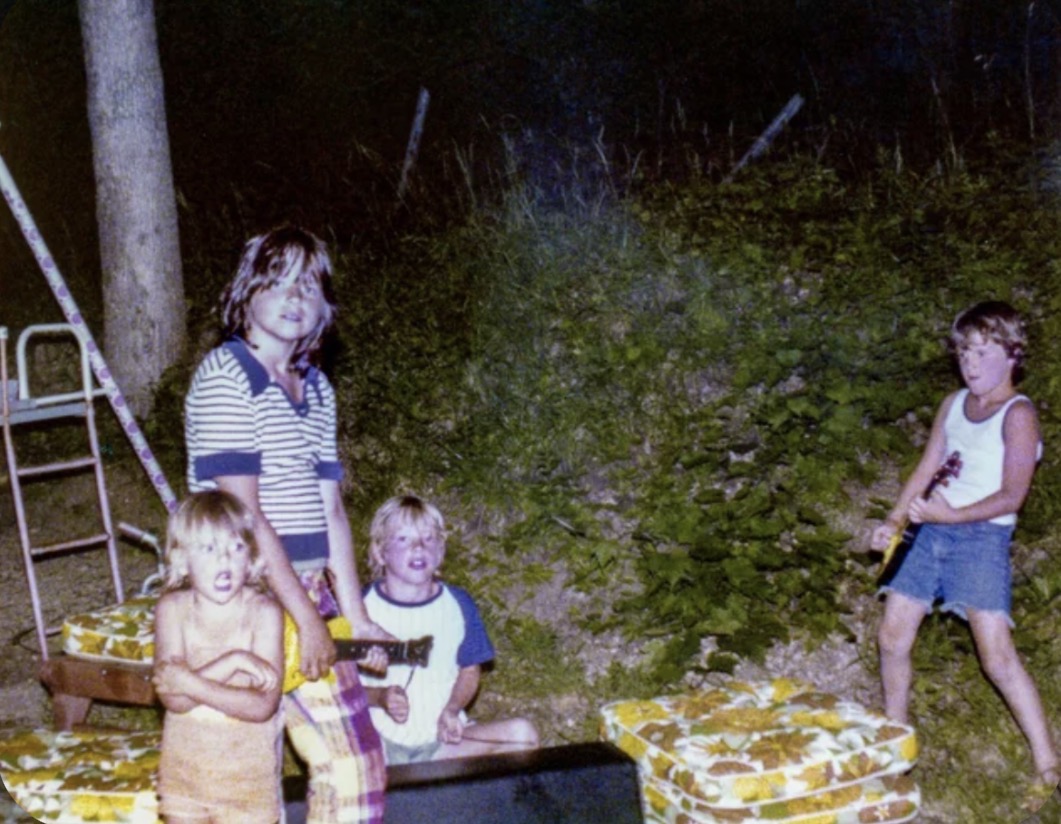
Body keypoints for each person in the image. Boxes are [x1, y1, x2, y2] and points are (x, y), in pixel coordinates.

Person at [184, 226, 388, 823]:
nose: (296, 297)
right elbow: (244, 516)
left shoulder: (317, 389)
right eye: (280, 282)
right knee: (242, 784)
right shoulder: (226, 378)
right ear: (246, 293)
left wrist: (356, 617)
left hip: (309, 591)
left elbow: (331, 510)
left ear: (325, 307)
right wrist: (306, 618)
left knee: (355, 765)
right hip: (239, 597)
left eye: (310, 286)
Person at [871, 300, 1058, 792]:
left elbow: (1012, 495)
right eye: (963, 353)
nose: (970, 365)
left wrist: (951, 515)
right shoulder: (953, 404)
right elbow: (928, 466)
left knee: (996, 657)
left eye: (982, 353)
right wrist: (894, 520)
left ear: (1013, 354)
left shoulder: (1018, 415)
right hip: (929, 530)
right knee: (892, 637)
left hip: (981, 539)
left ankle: (1048, 761)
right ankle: (895, 742)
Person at [361, 494, 539, 765]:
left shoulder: (457, 604)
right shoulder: (360, 606)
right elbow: (337, 686)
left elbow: (470, 670)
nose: (418, 547)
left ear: (441, 551)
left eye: (428, 539)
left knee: (522, 736)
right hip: (378, 745)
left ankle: (457, 786)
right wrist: (380, 697)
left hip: (443, 745)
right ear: (379, 552)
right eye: (403, 539)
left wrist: (452, 709)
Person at [153, 490, 285, 823]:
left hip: (248, 787)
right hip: (184, 783)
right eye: (209, 549)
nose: (224, 562)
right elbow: (173, 699)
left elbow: (262, 705)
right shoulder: (172, 610)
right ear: (182, 560)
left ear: (251, 557)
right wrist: (233, 661)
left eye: (236, 548)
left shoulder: (264, 613)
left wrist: (187, 680)